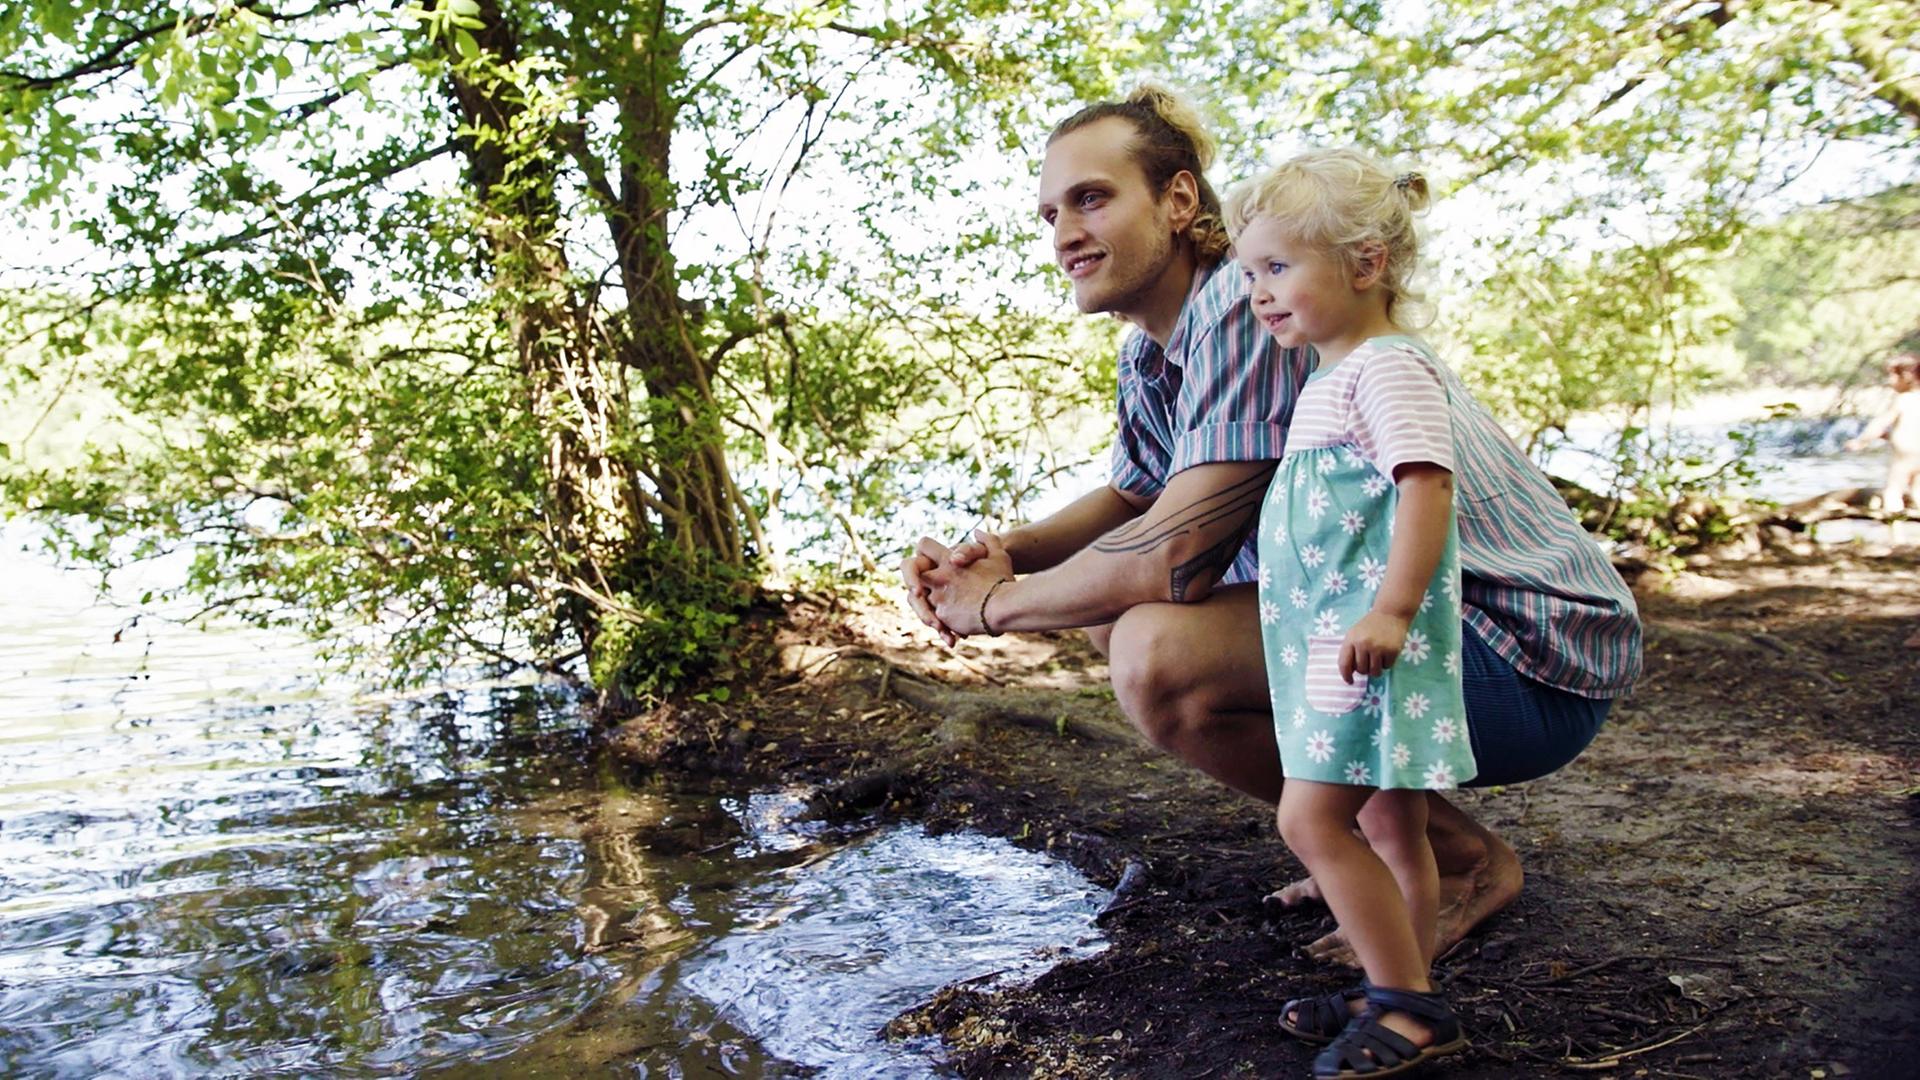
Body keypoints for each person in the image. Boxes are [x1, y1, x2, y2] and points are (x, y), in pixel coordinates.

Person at [899, 83, 1640, 1018]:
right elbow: (1136, 494)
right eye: (1050, 212)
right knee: (1114, 624)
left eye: (1092, 198)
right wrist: (1002, 552)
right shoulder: (1154, 352)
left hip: (1521, 652)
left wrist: (993, 607)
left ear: (1177, 201)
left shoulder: (1249, 315)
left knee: (1151, 646)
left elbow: (1172, 556)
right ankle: (1372, 856)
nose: (1064, 232)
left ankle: (1455, 869)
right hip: (1427, 638)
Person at [1228, 148, 1481, 1075]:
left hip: (1363, 642)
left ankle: (1408, 1011)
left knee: (1311, 821)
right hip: (1339, 643)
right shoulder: (1333, 378)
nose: (1258, 292)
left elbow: (1425, 490)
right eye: (1250, 273)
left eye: (1279, 268)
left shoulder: (1386, 369)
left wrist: (1392, 611)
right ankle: (1399, 982)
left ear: (1366, 263)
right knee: (1389, 826)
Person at [1843, 351, 1920, 515]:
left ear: (1906, 376)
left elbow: (1881, 423)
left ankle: (1897, 531)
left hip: (1904, 455)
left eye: (1892, 376)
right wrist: (1888, 436)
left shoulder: (1902, 400)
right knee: (1917, 489)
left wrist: (1861, 441)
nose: (1888, 381)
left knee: (1893, 490)